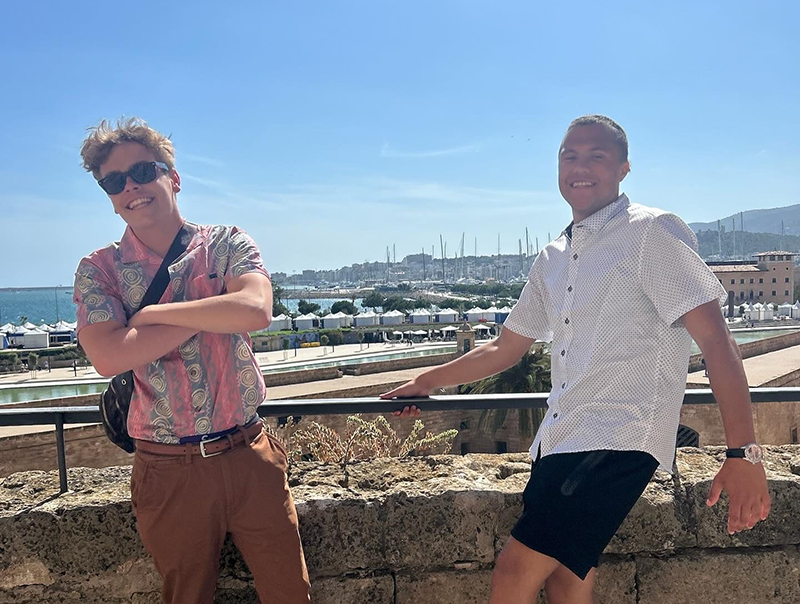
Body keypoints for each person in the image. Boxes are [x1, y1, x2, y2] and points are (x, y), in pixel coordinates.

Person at [382, 115, 771, 604]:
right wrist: (427, 380)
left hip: (618, 436)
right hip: (559, 439)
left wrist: (743, 453)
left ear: (624, 168)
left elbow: (717, 342)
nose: (579, 166)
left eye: (596, 156)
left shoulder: (652, 232)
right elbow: (508, 346)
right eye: (569, 155)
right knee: (566, 578)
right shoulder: (553, 256)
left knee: (513, 575)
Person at [73, 118, 310, 604]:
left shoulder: (225, 243)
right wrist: (210, 309)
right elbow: (107, 354)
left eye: (142, 170)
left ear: (173, 177)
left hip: (250, 455)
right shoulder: (100, 269)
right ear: (109, 195)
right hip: (168, 469)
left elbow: (255, 309)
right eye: (114, 181)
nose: (131, 187)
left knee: (292, 594)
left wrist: (155, 314)